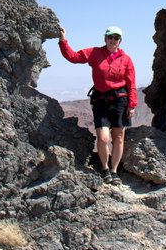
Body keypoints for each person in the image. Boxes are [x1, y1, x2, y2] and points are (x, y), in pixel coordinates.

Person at [58, 25, 136, 185]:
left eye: (116, 38)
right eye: (110, 37)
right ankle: (105, 168)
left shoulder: (126, 59)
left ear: (120, 41)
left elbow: (131, 83)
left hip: (120, 100)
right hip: (101, 99)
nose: (113, 40)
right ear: (105, 38)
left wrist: (132, 105)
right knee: (103, 137)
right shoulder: (94, 53)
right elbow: (73, 57)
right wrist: (62, 41)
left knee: (119, 137)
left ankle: (114, 172)